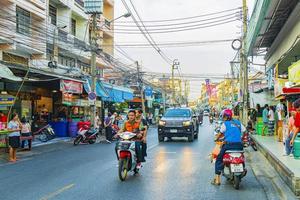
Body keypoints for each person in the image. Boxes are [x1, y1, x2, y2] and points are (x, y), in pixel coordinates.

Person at [211, 109, 245, 186]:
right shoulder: (238, 123)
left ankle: (217, 180)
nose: (223, 118)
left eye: (224, 116)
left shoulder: (225, 124)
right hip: (239, 145)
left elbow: (220, 134)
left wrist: (216, 138)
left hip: (229, 145)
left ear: (225, 116)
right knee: (242, 156)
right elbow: (244, 131)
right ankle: (242, 167)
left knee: (218, 159)